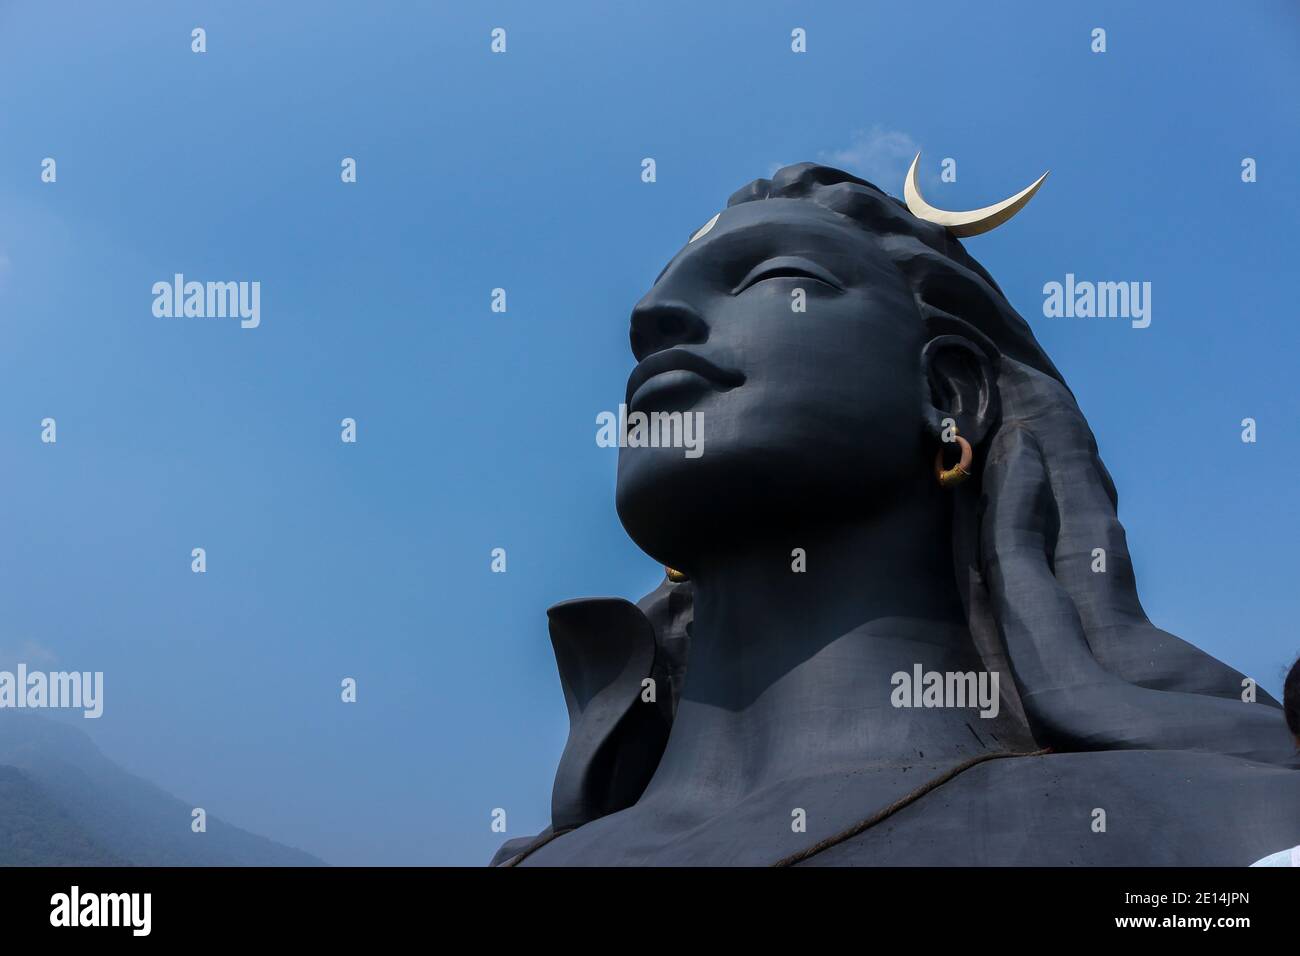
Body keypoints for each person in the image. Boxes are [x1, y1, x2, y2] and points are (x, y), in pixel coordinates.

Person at [495, 162, 1300, 866]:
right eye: (656, 303)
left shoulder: (1243, 836)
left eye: (773, 276)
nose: (652, 318)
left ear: (951, 393)